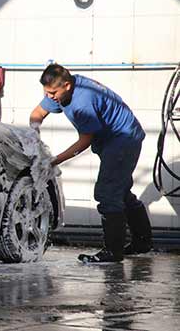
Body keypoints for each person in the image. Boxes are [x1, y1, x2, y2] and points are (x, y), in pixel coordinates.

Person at [29, 63, 152, 263]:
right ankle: (143, 242)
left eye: (53, 92)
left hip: (123, 139)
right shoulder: (62, 89)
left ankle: (113, 252)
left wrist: (53, 161)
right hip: (111, 139)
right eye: (46, 92)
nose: (49, 96)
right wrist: (33, 135)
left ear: (67, 86)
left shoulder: (82, 102)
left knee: (107, 193)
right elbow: (37, 114)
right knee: (120, 191)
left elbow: (84, 141)